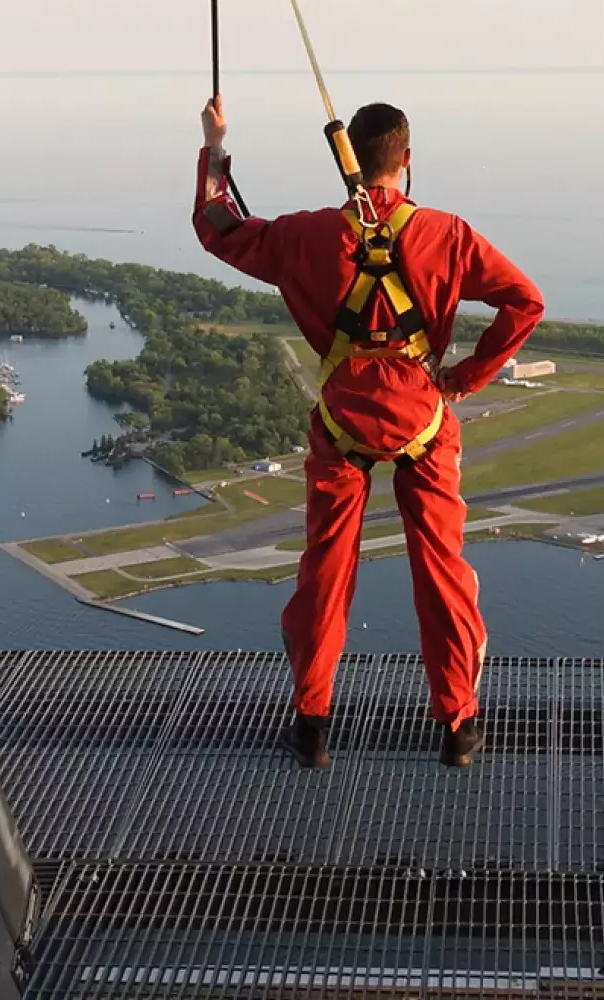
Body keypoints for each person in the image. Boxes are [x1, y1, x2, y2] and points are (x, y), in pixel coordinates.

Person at [192, 95, 544, 769]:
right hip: (423, 421)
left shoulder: (307, 236)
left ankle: (312, 722)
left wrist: (215, 146)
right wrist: (466, 376)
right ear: (407, 161)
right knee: (441, 573)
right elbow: (525, 302)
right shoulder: (447, 234)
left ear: (349, 161)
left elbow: (218, 227)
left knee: (326, 571)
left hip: (341, 425)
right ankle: (459, 725)